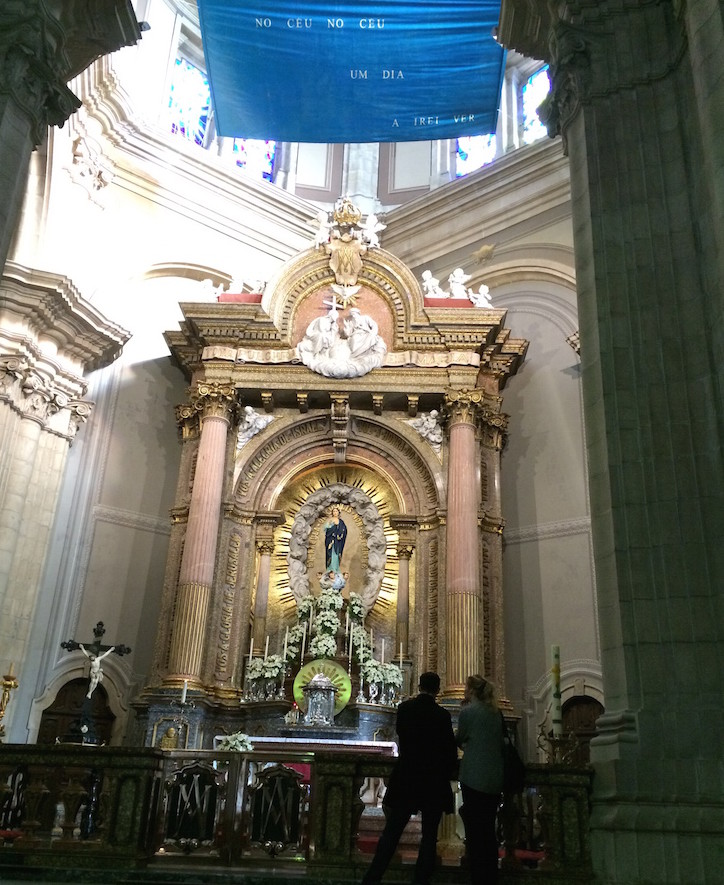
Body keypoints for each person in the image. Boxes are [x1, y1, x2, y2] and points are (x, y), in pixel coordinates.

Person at [361, 671, 457, 885]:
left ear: (420, 686)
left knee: (392, 832)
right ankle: (421, 880)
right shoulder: (442, 715)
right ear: (438, 690)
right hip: (432, 781)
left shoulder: (405, 709)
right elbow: (449, 751)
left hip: (407, 777)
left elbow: (401, 737)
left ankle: (373, 877)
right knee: (430, 836)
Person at [456, 674, 504, 885]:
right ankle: (491, 875)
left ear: (472, 691)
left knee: (475, 830)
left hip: (474, 777)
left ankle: (477, 876)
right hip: (494, 777)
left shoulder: (468, 712)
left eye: (466, 688)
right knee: (488, 828)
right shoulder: (496, 713)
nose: (465, 691)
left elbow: (459, 738)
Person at [323, 506, 347, 572]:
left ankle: (336, 570)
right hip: (330, 540)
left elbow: (344, 530)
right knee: (330, 554)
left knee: (336, 556)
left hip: (337, 542)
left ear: (338, 512)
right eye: (334, 511)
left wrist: (339, 534)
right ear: (332, 513)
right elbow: (325, 529)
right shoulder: (330, 521)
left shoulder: (341, 522)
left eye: (336, 511)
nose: (335, 513)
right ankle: (330, 570)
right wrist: (331, 527)